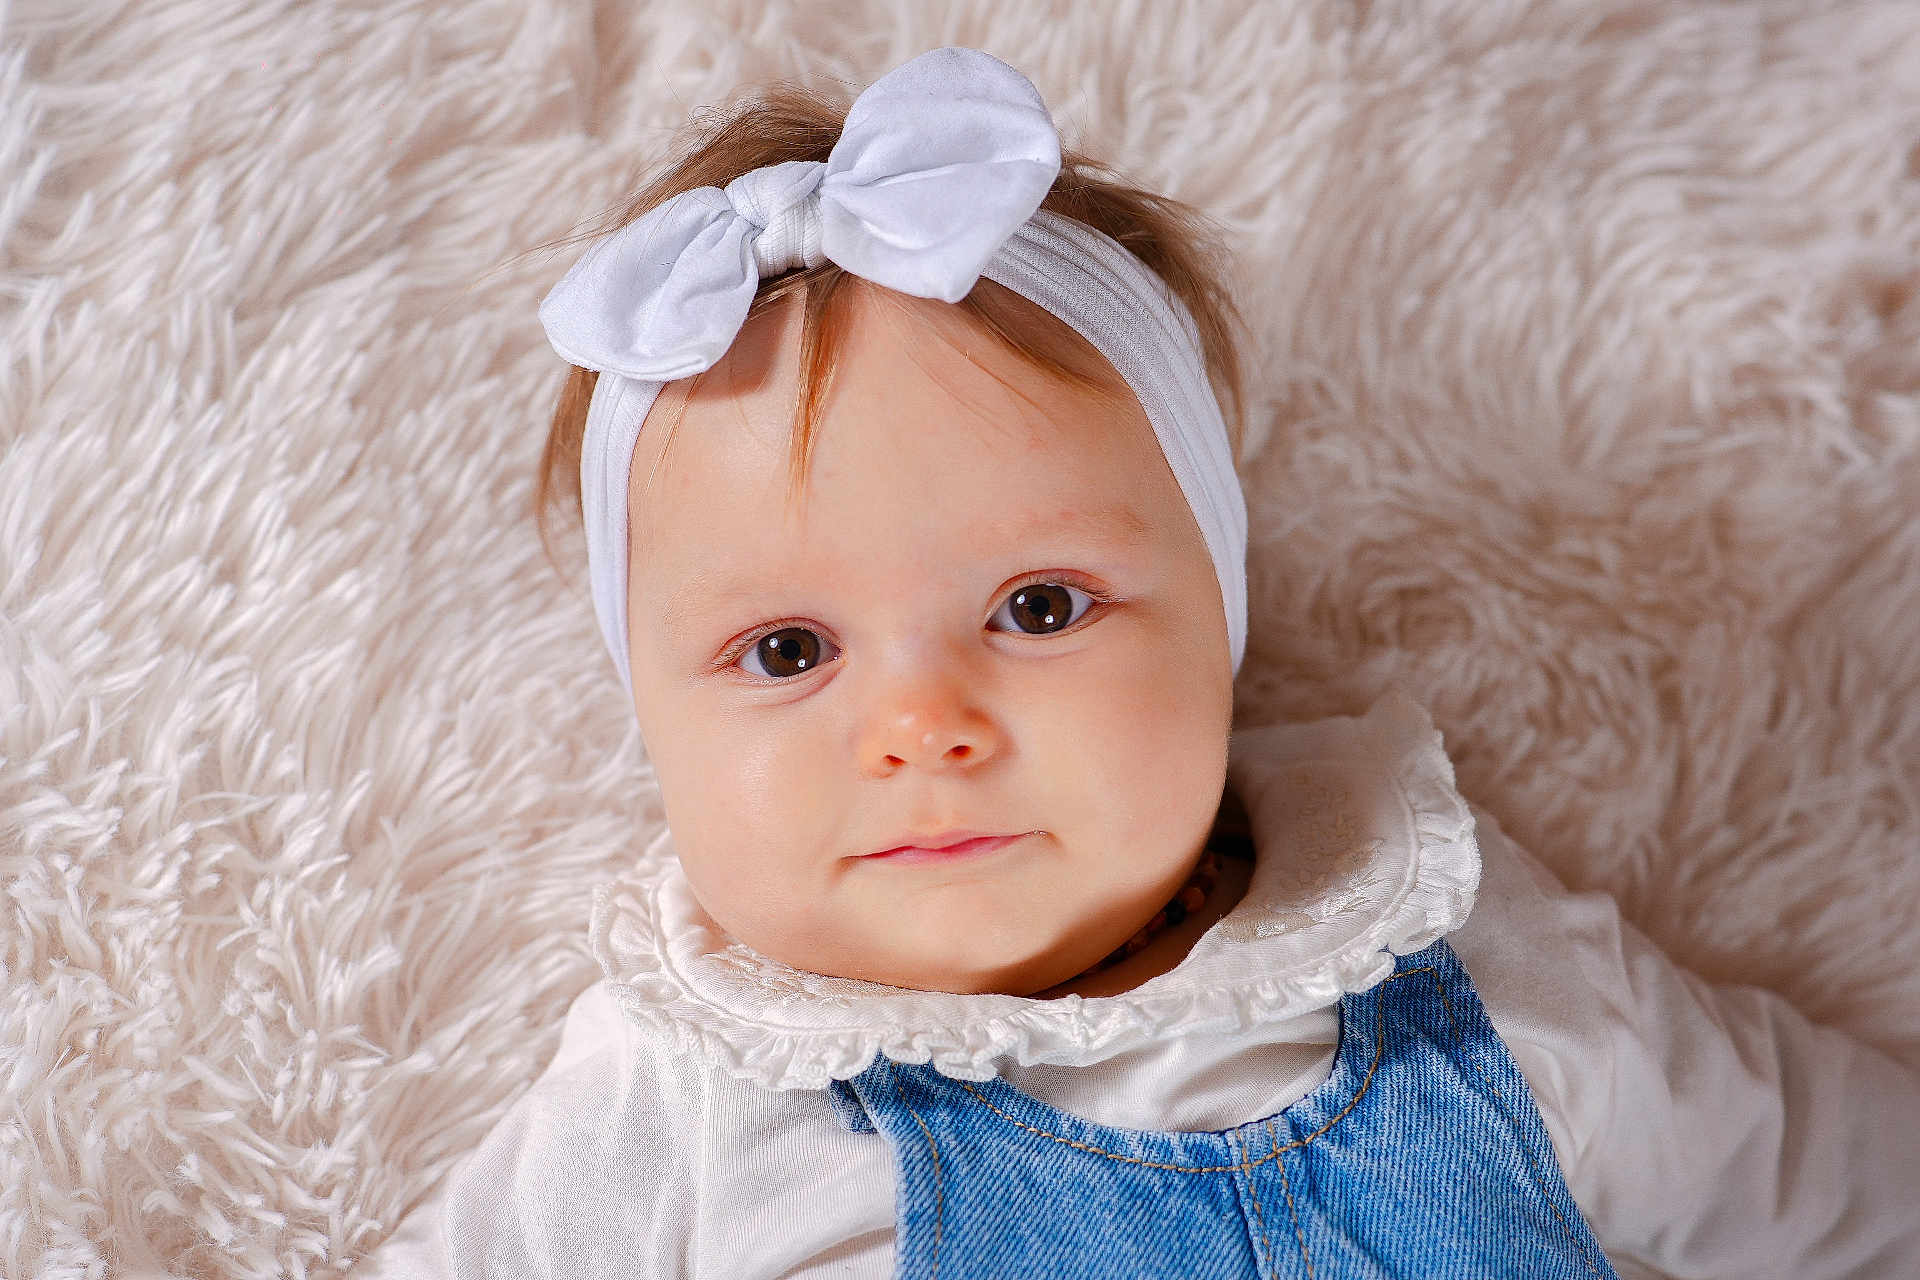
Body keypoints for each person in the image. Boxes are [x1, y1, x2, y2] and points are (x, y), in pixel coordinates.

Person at [355, 46, 1920, 1280]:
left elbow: (1847, 1193)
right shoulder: (677, 1100)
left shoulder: (1456, 953)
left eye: (1040, 608)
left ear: (1219, 614)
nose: (923, 725)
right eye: (786, 649)